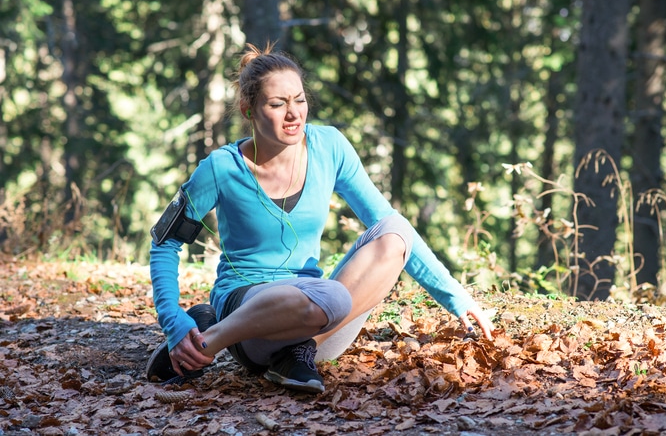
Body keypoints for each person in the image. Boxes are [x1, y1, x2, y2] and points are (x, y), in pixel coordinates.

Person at [146, 42, 496, 394]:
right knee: (329, 296)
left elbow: (387, 222)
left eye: (299, 99)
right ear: (248, 109)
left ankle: (273, 348)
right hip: (249, 309)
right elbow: (165, 243)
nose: (293, 114)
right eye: (277, 104)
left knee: (393, 232)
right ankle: (210, 341)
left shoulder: (329, 147)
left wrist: (457, 298)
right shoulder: (221, 167)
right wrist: (173, 321)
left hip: (318, 318)